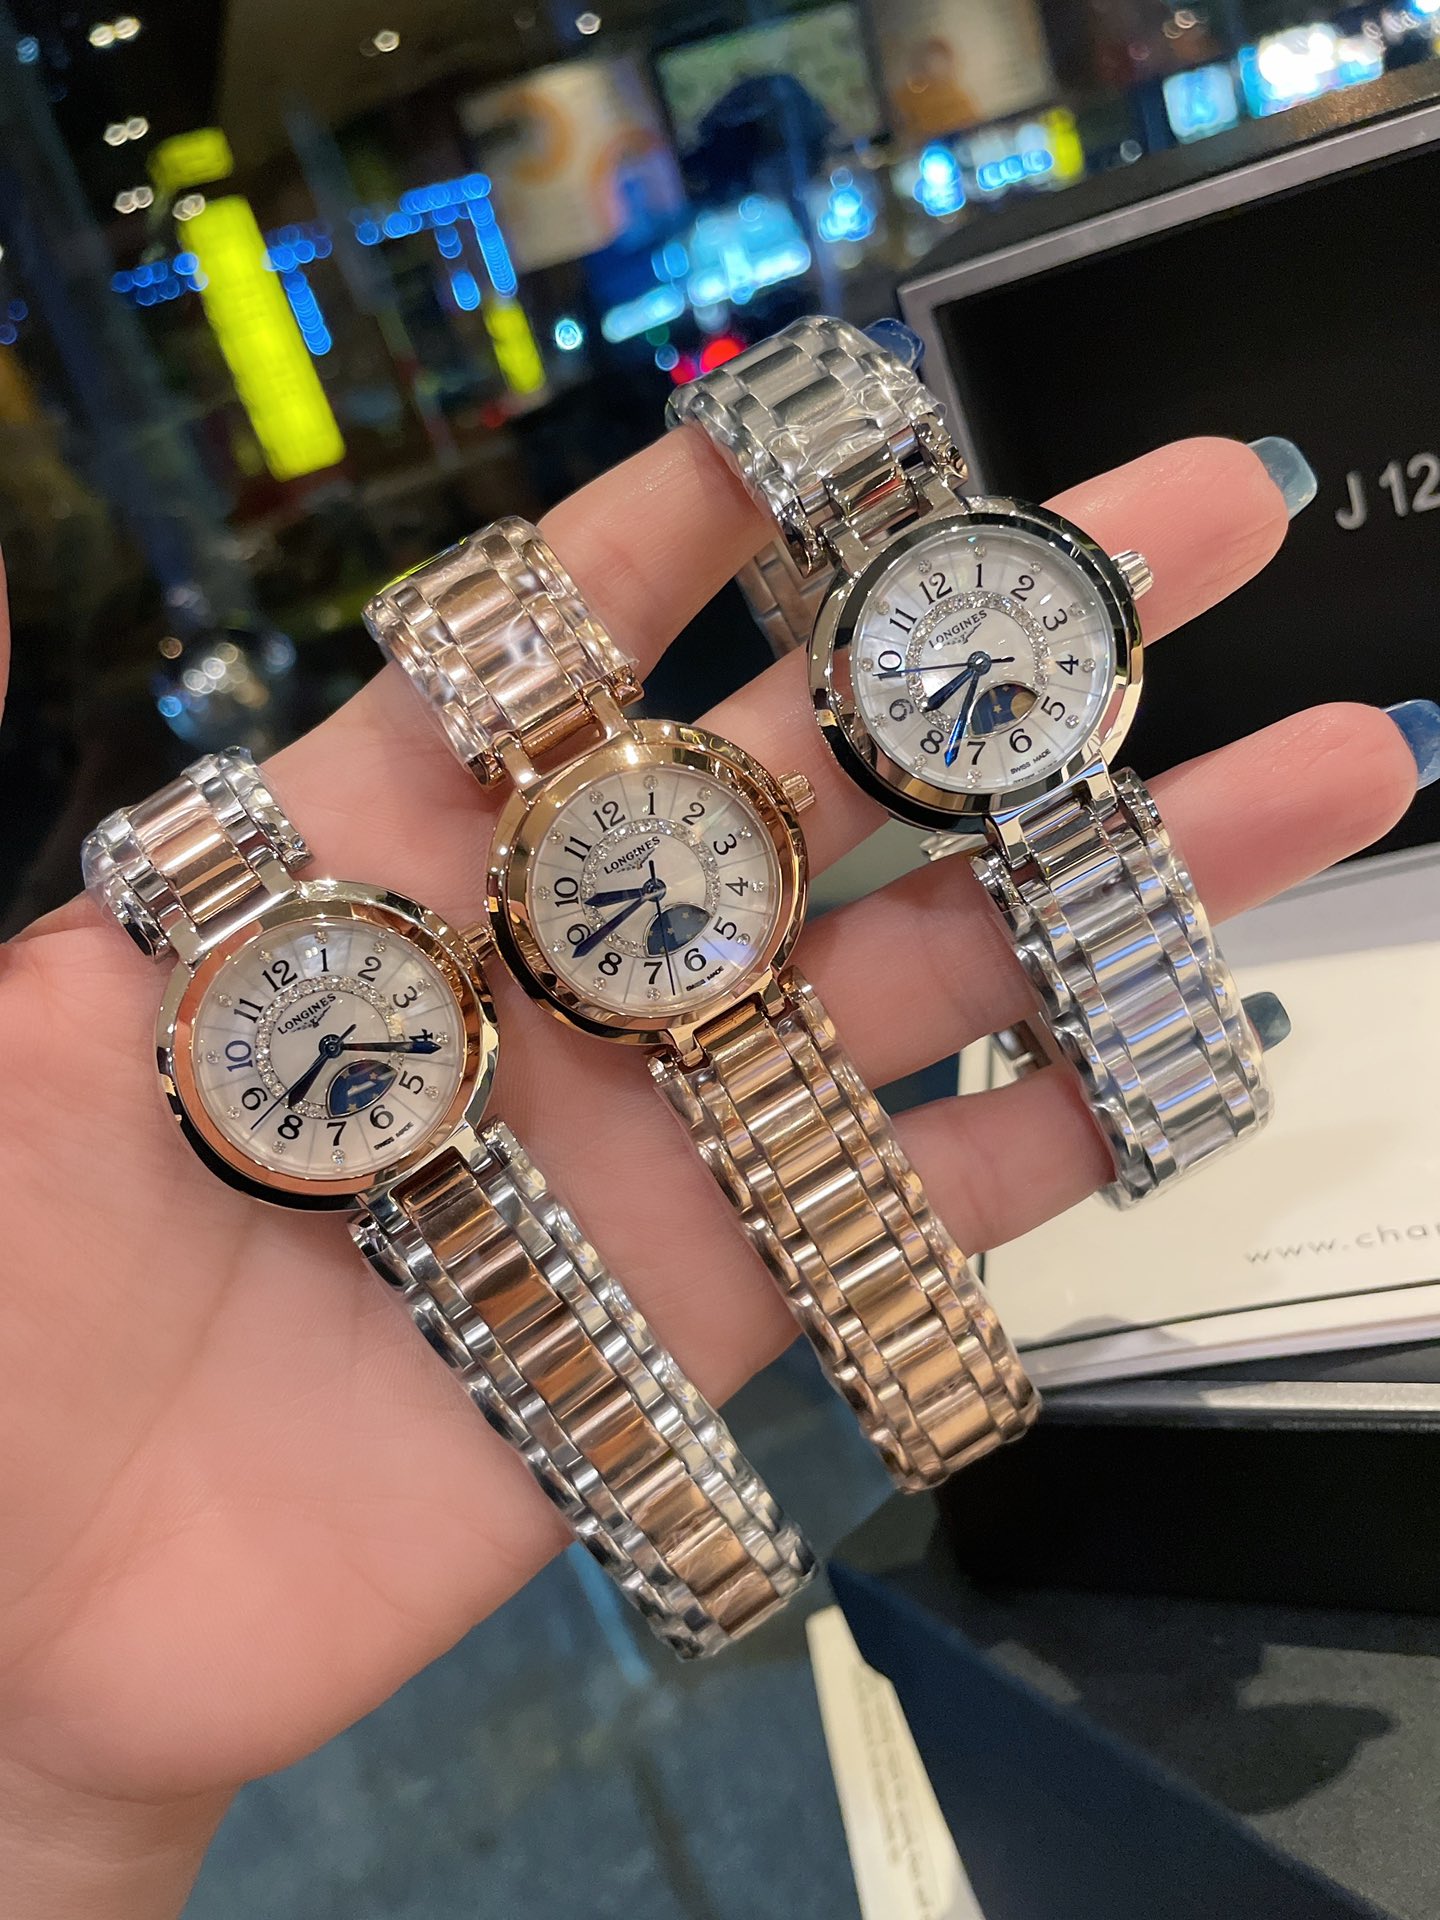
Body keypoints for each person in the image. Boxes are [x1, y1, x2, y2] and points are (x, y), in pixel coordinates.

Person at [0, 423, 1430, 1918]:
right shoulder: (401, 994)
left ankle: (937, 1393)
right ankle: (824, 1492)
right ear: (485, 964)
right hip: (509, 1115)